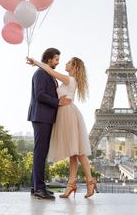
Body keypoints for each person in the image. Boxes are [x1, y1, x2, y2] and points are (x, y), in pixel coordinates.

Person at [26, 55, 98, 198]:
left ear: (75, 66)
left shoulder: (69, 79)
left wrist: (36, 62)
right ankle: (71, 185)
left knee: (78, 152)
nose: (64, 63)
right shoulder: (69, 80)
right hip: (65, 114)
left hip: (68, 114)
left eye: (68, 62)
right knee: (73, 152)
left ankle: (90, 181)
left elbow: (49, 70)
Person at [27, 47, 71, 200]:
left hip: (44, 116)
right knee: (40, 153)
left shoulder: (47, 74)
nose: (58, 62)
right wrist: (58, 102)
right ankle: (39, 188)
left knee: (40, 153)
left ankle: (35, 187)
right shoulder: (41, 73)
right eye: (56, 59)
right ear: (49, 58)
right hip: (41, 117)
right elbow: (40, 95)